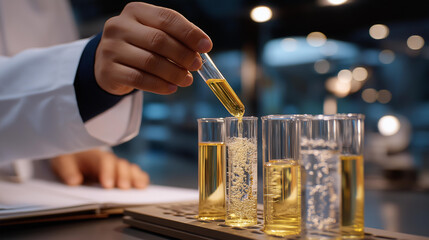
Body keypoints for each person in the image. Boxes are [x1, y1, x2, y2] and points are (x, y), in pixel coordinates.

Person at [0, 1, 212, 188]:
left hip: (47, 196)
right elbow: (50, 84)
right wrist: (88, 70)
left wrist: (77, 148)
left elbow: (50, 99)